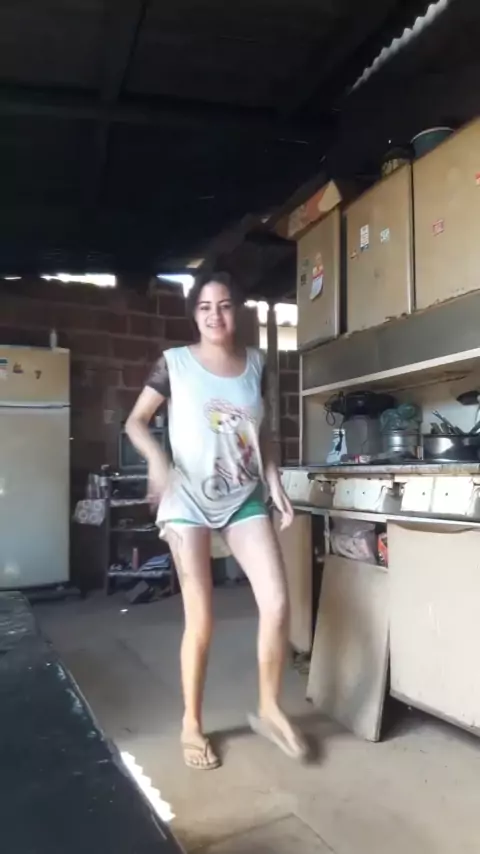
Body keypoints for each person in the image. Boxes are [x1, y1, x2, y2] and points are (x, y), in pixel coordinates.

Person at [126, 271, 306, 770]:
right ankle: (191, 723)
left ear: (237, 310)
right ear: (194, 313)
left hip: (243, 496)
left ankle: (269, 707)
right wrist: (157, 461)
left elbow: (262, 432)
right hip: (187, 499)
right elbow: (135, 421)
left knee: (277, 603)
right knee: (201, 618)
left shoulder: (258, 365)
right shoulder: (174, 364)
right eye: (205, 307)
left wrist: (274, 481)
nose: (215, 315)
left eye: (224, 305)